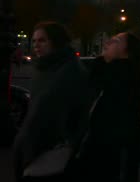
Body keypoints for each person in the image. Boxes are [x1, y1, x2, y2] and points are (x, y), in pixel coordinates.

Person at [12, 21, 90, 181]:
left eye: (42, 40)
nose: (36, 45)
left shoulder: (69, 71)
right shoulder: (44, 69)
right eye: (34, 41)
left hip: (52, 152)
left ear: (56, 41)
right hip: (39, 149)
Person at [74, 32, 140, 182]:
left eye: (116, 40)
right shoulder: (114, 75)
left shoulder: (121, 80)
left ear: (127, 52)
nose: (108, 42)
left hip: (109, 161)